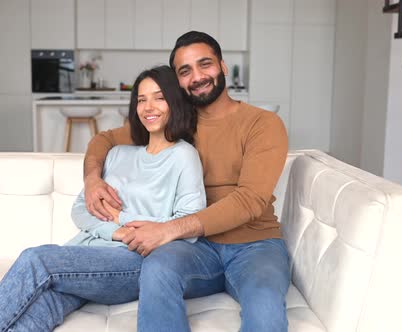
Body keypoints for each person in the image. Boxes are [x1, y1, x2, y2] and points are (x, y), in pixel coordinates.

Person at [0, 65, 206, 332]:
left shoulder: (183, 155)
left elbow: (188, 223)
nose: (149, 107)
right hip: (85, 252)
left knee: (37, 259)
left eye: (159, 98)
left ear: (174, 102)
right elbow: (80, 209)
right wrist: (117, 230)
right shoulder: (118, 154)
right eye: (141, 99)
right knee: (50, 303)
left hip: (132, 261)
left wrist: (122, 222)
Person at [83, 31, 290, 332]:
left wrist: (169, 229)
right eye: (185, 71)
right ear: (177, 81)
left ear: (222, 65)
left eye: (204, 64)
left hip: (254, 246)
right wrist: (91, 179)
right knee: (158, 269)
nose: (197, 77)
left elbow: (250, 200)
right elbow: (104, 140)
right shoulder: (175, 122)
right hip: (195, 247)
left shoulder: (262, 123)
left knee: (265, 304)